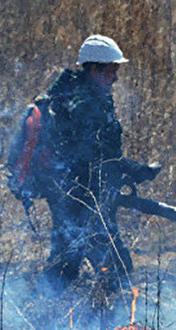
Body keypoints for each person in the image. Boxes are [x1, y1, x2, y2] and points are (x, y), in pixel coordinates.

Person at [36, 34, 161, 293]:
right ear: (93, 68)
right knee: (90, 266)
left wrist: (123, 172)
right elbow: (92, 156)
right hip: (79, 198)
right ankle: (39, 319)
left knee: (75, 264)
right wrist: (132, 168)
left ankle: (56, 313)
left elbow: (101, 152)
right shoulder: (83, 104)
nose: (115, 77)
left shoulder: (93, 95)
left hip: (89, 196)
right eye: (111, 71)